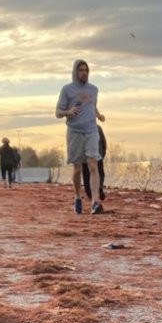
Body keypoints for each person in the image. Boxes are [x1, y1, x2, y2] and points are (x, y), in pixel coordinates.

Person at [55, 59, 105, 214]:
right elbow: (58, 112)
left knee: (93, 164)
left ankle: (95, 202)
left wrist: (99, 115)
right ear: (75, 72)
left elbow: (92, 106)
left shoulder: (94, 89)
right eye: (81, 70)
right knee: (77, 168)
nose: (84, 73)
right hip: (75, 132)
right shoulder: (67, 90)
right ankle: (77, 196)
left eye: (86, 70)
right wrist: (68, 112)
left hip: (91, 131)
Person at [81, 126, 107, 202]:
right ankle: (99, 187)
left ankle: (89, 193)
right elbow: (104, 142)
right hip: (98, 155)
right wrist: (103, 154)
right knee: (100, 173)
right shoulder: (98, 128)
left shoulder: (81, 128)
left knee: (86, 175)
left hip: (86, 156)